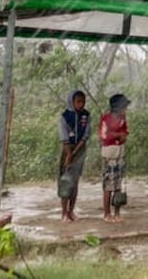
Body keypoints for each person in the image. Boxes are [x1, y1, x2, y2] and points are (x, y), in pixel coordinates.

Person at [58, 89, 90, 223]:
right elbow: (64, 136)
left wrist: (76, 152)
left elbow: (85, 135)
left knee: (75, 181)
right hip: (67, 149)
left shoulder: (86, 115)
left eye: (83, 102)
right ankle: (64, 212)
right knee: (66, 180)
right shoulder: (65, 116)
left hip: (80, 150)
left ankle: (71, 211)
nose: (81, 104)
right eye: (78, 102)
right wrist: (69, 154)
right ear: (72, 102)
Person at [99, 93, 131, 223]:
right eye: (124, 107)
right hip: (110, 155)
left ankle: (117, 212)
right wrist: (118, 135)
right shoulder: (105, 119)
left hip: (120, 153)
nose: (125, 109)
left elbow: (125, 132)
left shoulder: (122, 118)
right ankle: (107, 213)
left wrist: (120, 135)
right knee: (108, 185)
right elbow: (104, 136)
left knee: (118, 185)